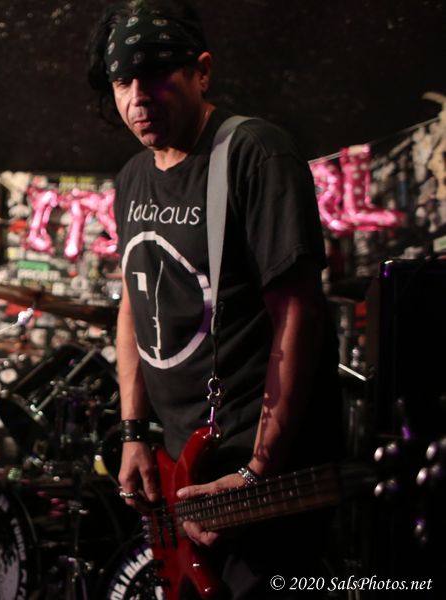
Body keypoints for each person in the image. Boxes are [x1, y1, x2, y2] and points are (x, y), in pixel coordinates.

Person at [87, 1, 342, 597]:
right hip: (184, 464)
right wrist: (135, 431)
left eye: (155, 75)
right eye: (123, 82)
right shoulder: (132, 178)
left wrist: (259, 470)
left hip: (267, 469)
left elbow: (297, 312)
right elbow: (133, 305)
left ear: (201, 72)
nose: (138, 98)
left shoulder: (254, 153)